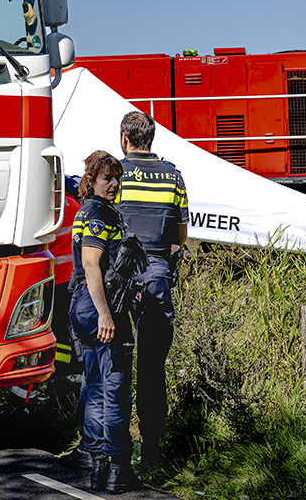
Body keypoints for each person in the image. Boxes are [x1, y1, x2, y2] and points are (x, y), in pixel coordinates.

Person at [117, 110, 189, 474]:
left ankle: (112, 447)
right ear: (151, 140)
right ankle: (152, 451)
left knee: (114, 361)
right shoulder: (173, 177)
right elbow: (180, 235)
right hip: (156, 278)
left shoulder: (114, 176)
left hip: (119, 281)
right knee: (151, 365)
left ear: (125, 140)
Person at [67, 150, 142, 493]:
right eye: (106, 178)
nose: (114, 184)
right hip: (99, 304)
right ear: (92, 181)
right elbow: (92, 263)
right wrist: (105, 313)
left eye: (117, 178)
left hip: (81, 305)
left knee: (96, 388)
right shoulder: (99, 214)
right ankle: (118, 469)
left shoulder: (86, 211)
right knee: (115, 389)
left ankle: (98, 469)